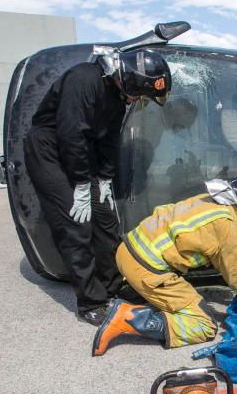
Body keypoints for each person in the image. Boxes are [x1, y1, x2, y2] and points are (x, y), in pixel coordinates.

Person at [25, 48, 171, 325]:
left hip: (81, 149)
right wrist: (81, 184)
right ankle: (92, 301)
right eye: (137, 95)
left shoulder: (116, 98)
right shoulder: (83, 79)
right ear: (126, 79)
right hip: (51, 149)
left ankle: (113, 286)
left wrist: (104, 178)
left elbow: (108, 140)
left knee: (105, 221)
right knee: (75, 224)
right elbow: (70, 132)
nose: (136, 101)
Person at [91, 170, 237, 355]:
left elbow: (211, 247)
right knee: (204, 324)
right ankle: (126, 318)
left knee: (179, 298)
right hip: (146, 270)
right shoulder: (230, 229)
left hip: (127, 251)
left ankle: (136, 301)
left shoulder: (211, 199)